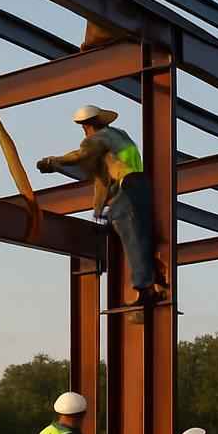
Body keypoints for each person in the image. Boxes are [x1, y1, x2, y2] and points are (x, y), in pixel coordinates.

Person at [35, 106, 166, 303]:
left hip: (129, 186)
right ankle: (157, 280)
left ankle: (144, 289)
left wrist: (52, 162)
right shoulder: (119, 135)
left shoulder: (96, 139)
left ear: (86, 125)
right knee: (139, 234)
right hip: (140, 186)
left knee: (130, 236)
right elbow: (105, 174)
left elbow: (79, 156)